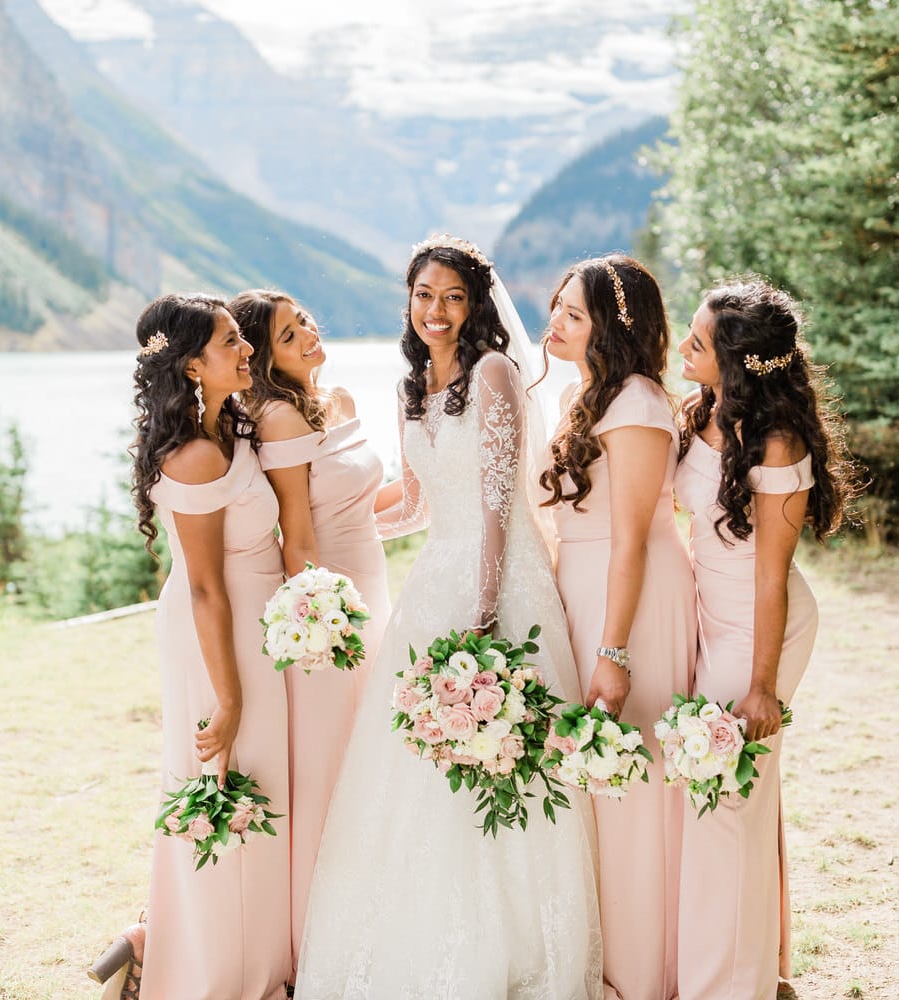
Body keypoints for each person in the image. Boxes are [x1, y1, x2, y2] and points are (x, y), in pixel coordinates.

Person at [295, 236, 603, 999]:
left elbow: (499, 508)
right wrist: (330, 524)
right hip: (432, 582)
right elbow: (421, 503)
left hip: (500, 583)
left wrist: (486, 611)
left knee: (506, 760)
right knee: (418, 768)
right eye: (424, 295)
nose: (436, 311)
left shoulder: (495, 374)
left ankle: (517, 946)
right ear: (408, 299)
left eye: (453, 297)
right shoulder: (407, 389)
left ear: (476, 306)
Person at [673, 278, 858, 1000]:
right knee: (727, 804)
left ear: (738, 360)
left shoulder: (776, 445)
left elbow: (772, 580)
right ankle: (745, 972)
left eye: (698, 341)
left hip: (761, 628)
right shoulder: (703, 412)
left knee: (723, 802)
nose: (684, 348)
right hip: (708, 615)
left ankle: (733, 986)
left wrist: (760, 687)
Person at [540, 254, 696, 1000]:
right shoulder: (585, 397)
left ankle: (642, 967)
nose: (556, 324)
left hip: (630, 598)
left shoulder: (634, 402)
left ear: (613, 326)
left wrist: (613, 649)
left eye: (574, 313)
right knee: (592, 782)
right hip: (585, 589)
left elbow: (634, 536)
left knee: (633, 783)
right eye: (557, 309)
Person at [129, 292, 292, 1000]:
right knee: (223, 787)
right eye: (232, 342)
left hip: (251, 623)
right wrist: (227, 697)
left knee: (260, 786)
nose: (247, 349)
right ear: (194, 365)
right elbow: (203, 588)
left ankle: (252, 956)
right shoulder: (193, 455)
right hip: (213, 636)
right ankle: (213, 972)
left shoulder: (230, 427)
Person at [228, 289, 391, 973]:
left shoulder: (341, 400)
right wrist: (322, 622)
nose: (309, 334)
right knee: (330, 767)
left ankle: (373, 915)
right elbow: (297, 535)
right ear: (266, 357)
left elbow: (365, 506)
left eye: (306, 322)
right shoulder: (278, 417)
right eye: (290, 334)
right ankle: (318, 940)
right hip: (331, 608)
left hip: (374, 584)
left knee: (372, 766)